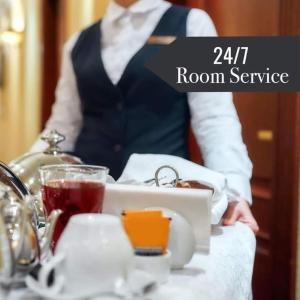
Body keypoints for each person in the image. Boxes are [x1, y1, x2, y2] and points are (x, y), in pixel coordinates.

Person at [32, 0, 259, 233]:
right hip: (87, 205)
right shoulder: (77, 43)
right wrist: (20, 178)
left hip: (162, 197)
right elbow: (62, 127)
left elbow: (215, 118)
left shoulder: (192, 25)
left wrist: (234, 192)